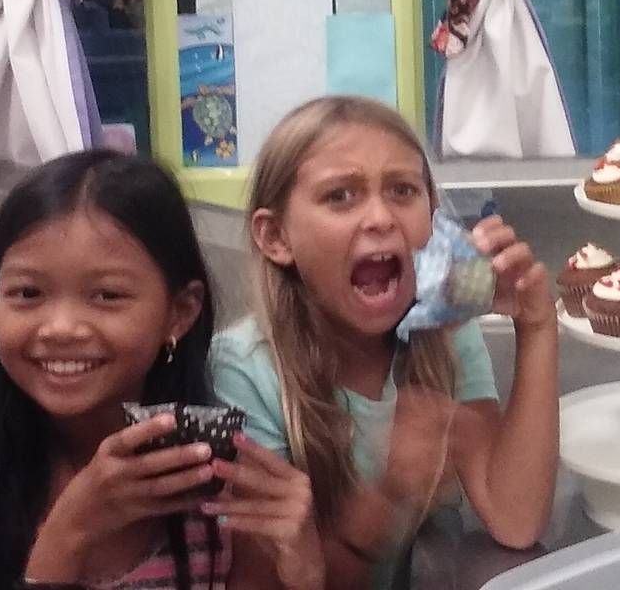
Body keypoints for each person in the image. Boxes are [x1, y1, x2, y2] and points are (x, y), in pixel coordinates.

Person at [210, 96, 559, 590]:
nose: (379, 217)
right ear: (276, 237)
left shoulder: (446, 334)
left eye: (402, 190)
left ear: (433, 220)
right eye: (340, 196)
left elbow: (515, 518)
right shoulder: (245, 370)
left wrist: (539, 327)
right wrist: (391, 496)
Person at [0, 150, 324, 590]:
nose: (61, 328)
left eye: (107, 295)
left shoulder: (227, 501)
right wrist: (68, 537)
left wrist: (305, 574)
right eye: (27, 292)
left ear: (180, 313)